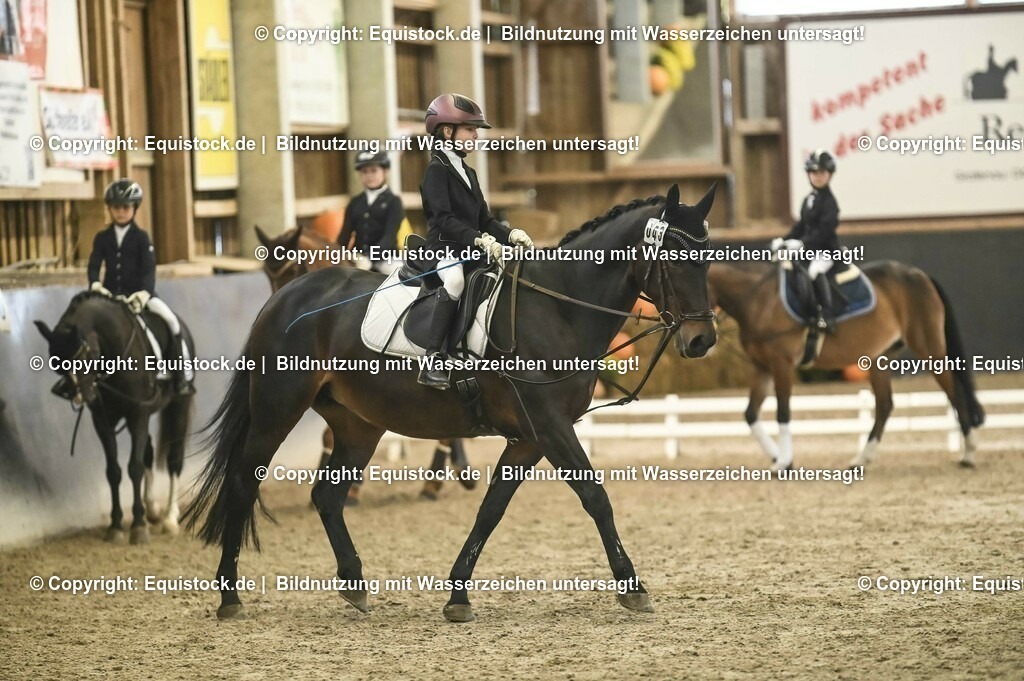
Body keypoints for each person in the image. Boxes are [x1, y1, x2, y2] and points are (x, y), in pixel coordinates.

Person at [417, 92, 535, 389]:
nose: (475, 136)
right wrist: (479, 240)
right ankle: (433, 359)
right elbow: (443, 219)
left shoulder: (467, 171)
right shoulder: (436, 171)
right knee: (455, 282)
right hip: (444, 250)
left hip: (472, 248)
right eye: (470, 129)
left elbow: (484, 219)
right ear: (447, 131)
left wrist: (510, 234)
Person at [86, 179, 194, 395]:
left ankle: (181, 374)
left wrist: (144, 293)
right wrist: (96, 285)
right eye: (116, 207)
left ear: (134, 208)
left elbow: (148, 270)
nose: (121, 212)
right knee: (83, 324)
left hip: (139, 296)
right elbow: (94, 265)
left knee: (171, 321)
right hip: (109, 296)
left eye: (125, 207)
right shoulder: (102, 237)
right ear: (110, 209)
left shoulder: (142, 238)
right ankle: (82, 378)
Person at [772, 149, 840, 334]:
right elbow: (800, 226)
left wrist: (803, 244)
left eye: (822, 173)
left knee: (815, 270)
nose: (817, 177)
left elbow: (824, 232)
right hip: (807, 248)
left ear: (829, 175)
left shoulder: (830, 203)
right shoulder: (808, 200)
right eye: (814, 173)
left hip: (825, 250)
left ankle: (827, 314)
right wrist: (784, 240)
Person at [338, 150, 405, 275]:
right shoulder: (355, 202)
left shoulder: (394, 202)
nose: (369, 176)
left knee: (400, 277)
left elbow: (389, 237)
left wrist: (370, 258)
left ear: (385, 172)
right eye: (364, 172)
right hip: (356, 257)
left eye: (374, 171)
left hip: (386, 259)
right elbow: (344, 236)